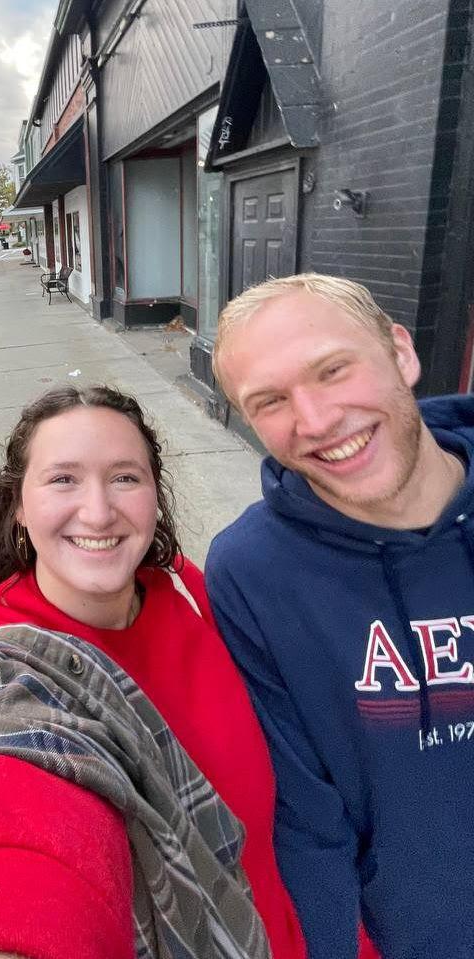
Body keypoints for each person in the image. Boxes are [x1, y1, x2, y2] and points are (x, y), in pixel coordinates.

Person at [0, 385, 303, 959]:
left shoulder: (186, 588)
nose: (98, 511)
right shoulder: (3, 656)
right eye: (63, 480)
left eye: (124, 477)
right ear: (18, 507)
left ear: (155, 494)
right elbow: (5, 815)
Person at [205, 273, 474, 959]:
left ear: (401, 353)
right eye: (270, 401)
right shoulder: (253, 572)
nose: (318, 420)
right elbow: (305, 821)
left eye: (332, 370)